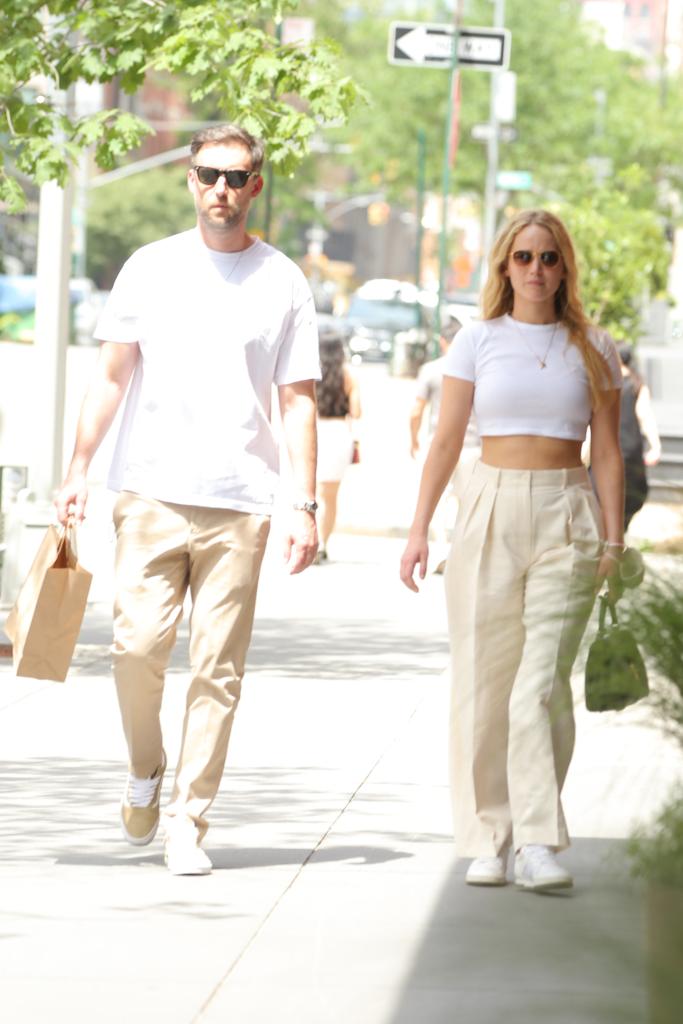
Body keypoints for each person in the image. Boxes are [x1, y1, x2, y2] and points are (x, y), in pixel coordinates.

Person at [55, 123, 321, 876]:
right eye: (208, 175)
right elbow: (110, 377)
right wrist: (77, 469)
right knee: (134, 648)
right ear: (189, 179)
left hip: (241, 501)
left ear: (256, 187)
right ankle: (146, 769)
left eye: (236, 178)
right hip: (148, 491)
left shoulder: (283, 281)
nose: (221, 190)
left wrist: (303, 504)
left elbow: (298, 401)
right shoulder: (150, 268)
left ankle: (188, 820)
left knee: (216, 669)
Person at [400, 209, 624, 893]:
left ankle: (536, 838)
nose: (536, 270)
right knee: (482, 682)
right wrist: (417, 529)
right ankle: (487, 837)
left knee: (539, 685)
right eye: (523, 257)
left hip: (566, 512)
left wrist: (613, 537)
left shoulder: (593, 346)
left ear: (565, 268)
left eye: (549, 258)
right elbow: (444, 440)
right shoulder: (476, 341)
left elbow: (607, 452)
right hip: (487, 505)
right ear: (504, 266)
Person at [409, 318, 480, 572]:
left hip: (438, 445)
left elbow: (416, 410)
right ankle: (457, 553)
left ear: (442, 341)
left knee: (436, 503)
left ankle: (441, 551)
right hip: (474, 447)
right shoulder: (478, 366)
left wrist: (413, 439)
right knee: (468, 505)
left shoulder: (431, 369)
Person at [314, 329, 361, 562]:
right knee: (330, 496)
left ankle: (310, 538)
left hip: (315, 430)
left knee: (310, 492)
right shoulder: (348, 376)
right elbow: (357, 412)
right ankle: (323, 543)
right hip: (339, 433)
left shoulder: (312, 374)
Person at [617, 342, 661, 531]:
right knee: (630, 493)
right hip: (631, 448)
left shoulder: (604, 381)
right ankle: (620, 533)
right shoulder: (637, 383)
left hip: (606, 447)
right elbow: (644, 414)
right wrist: (655, 445)